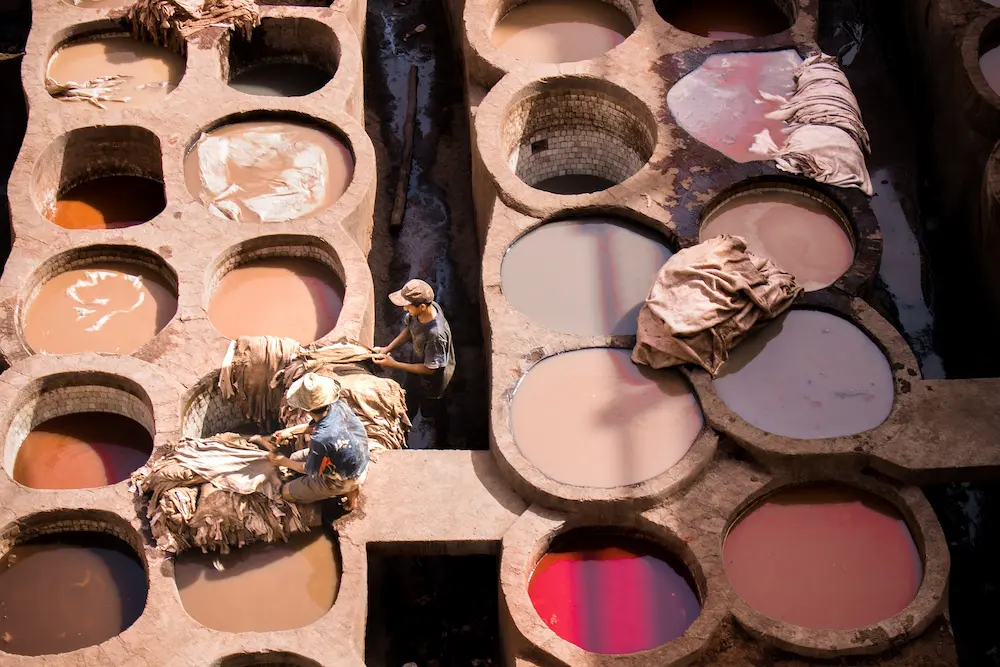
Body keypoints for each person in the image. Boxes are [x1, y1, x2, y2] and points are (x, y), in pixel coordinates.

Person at [253, 373, 370, 511]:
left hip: (343, 476)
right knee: (294, 458)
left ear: (305, 408)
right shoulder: (337, 405)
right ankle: (351, 493)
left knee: (286, 492)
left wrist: (280, 461)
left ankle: (346, 490)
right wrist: (290, 431)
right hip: (358, 460)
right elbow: (323, 427)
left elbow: (308, 469)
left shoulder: (320, 440)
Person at [373, 279, 455, 443]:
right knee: (410, 398)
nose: (404, 308)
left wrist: (393, 364)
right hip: (418, 366)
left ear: (422, 306)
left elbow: (430, 369)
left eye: (407, 305)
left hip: (433, 382)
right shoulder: (421, 313)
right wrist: (387, 349)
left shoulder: (436, 335)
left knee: (432, 410)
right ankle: (410, 424)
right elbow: (409, 329)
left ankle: (440, 437)